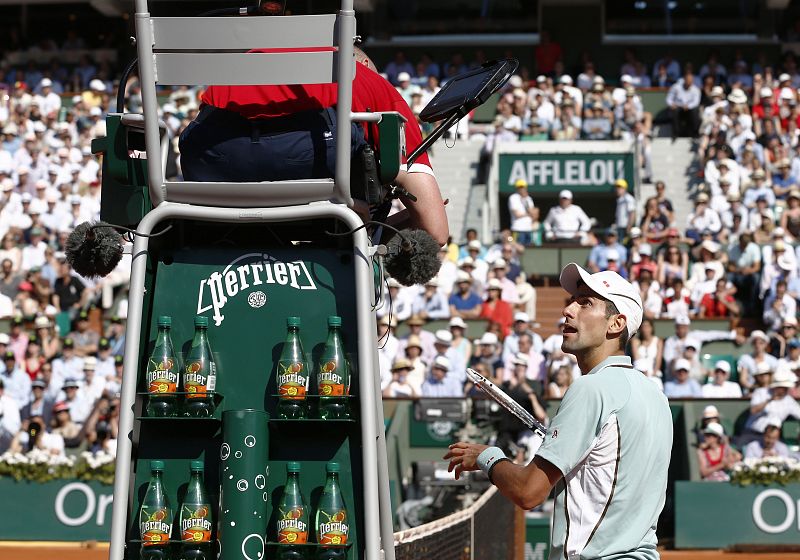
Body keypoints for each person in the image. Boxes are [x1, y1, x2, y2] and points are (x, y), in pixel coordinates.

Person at [445, 263, 672, 560]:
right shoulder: (656, 396)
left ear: (616, 324)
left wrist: (486, 456)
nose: (568, 310)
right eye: (572, 300)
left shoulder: (591, 388)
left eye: (585, 302)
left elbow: (529, 491)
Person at [179, 45, 448, 246]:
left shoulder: (243, 66)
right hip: (321, 192)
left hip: (213, 171)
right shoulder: (372, 82)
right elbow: (436, 231)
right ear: (364, 62)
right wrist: (400, 220)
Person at [507, 179, 539, 246]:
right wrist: (528, 214)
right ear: (517, 188)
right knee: (517, 249)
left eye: (523, 187)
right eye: (520, 187)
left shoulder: (528, 199)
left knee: (529, 251)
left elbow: (534, 215)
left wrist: (525, 201)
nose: (522, 189)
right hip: (518, 229)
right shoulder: (513, 197)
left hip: (528, 229)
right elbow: (517, 214)